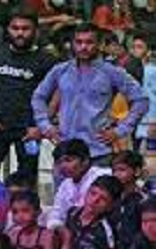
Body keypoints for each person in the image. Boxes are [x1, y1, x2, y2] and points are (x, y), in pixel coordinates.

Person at [32, 22, 149, 166]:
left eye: (89, 42)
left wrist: (120, 130)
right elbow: (38, 97)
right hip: (65, 151)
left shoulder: (112, 72)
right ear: (73, 44)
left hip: (98, 152)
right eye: (79, 42)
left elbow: (141, 100)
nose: (83, 47)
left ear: (99, 44)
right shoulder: (60, 70)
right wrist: (45, 126)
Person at [0, 7, 57, 195]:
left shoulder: (46, 60)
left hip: (29, 130)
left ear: (35, 30)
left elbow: (58, 94)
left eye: (25, 28)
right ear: (8, 29)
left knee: (26, 185)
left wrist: (42, 125)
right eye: (15, 28)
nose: (20, 33)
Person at [46, 139, 111, 230]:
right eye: (59, 162)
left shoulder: (103, 175)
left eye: (68, 160)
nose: (63, 166)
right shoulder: (65, 185)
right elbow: (57, 212)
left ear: (85, 161)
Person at [110, 150, 147, 249]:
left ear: (137, 171)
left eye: (121, 170)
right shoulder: (111, 196)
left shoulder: (144, 199)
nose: (116, 174)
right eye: (114, 170)